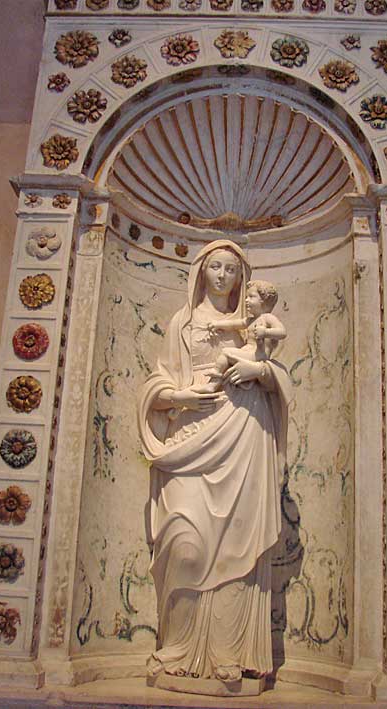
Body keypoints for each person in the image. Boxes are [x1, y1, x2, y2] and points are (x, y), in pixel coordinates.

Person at [137, 240, 292, 684]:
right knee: (185, 544)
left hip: (244, 432)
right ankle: (177, 646)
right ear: (202, 272)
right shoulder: (183, 324)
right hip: (191, 436)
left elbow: (277, 372)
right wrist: (180, 396)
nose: (222, 276)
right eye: (215, 267)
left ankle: (229, 652)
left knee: (237, 546)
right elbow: (156, 384)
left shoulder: (253, 322)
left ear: (242, 277)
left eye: (230, 269)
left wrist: (260, 372)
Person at [201, 279, 287, 393]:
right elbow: (234, 324)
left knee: (226, 352)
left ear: (263, 300)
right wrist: (218, 324)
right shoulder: (251, 320)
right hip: (249, 352)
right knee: (229, 356)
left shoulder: (268, 318)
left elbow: (282, 332)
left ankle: (214, 383)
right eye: (246, 297)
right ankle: (216, 383)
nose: (246, 300)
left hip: (259, 355)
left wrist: (265, 332)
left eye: (251, 297)